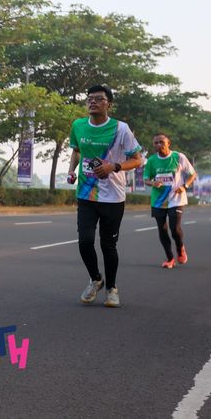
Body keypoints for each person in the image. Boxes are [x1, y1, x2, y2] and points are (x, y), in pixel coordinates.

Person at [67, 85, 143, 308]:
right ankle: (95, 279)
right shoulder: (78, 125)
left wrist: (114, 166)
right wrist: (71, 170)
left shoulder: (121, 129)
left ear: (108, 104)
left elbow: (137, 159)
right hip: (86, 194)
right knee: (85, 241)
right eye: (90, 98)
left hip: (113, 197)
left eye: (98, 99)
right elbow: (77, 151)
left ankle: (112, 289)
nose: (93, 102)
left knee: (108, 246)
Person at [143, 133, 196, 268]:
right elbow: (146, 179)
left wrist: (185, 186)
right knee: (162, 230)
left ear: (168, 143)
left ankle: (180, 248)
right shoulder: (151, 160)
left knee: (174, 228)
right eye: (156, 143)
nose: (158, 145)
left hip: (176, 199)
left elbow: (192, 174)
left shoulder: (178, 157)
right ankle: (170, 258)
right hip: (158, 201)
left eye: (161, 142)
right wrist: (153, 183)